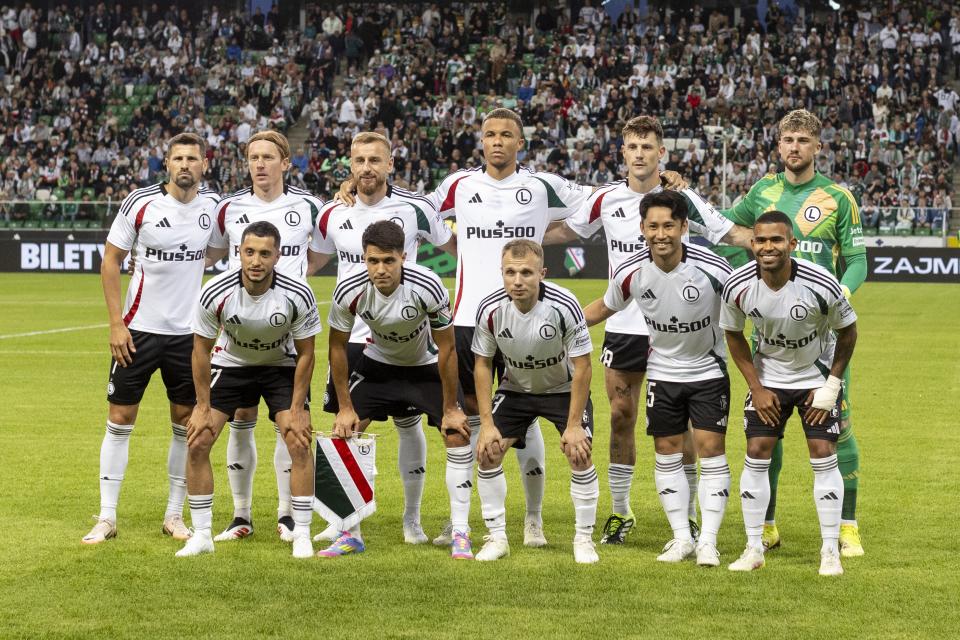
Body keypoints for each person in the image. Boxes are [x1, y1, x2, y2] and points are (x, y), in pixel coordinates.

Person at [544, 115, 751, 545]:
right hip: (623, 323)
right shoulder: (605, 199)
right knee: (621, 417)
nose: (640, 154)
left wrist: (782, 240)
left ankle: (691, 516)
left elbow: (726, 231)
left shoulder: (681, 197)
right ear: (623, 152)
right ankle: (621, 513)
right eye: (632, 146)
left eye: (647, 147)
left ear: (662, 153)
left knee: (689, 426)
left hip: (682, 328)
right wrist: (514, 231)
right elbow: (567, 229)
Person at [721, 109, 867, 557]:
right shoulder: (763, 190)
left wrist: (832, 300)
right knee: (768, 428)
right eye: (788, 140)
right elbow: (725, 230)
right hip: (770, 332)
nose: (795, 148)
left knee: (836, 429)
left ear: (817, 147)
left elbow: (858, 261)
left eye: (803, 140)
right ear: (778, 145)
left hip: (821, 335)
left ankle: (848, 525)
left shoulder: (838, 197)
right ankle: (767, 524)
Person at [308, 132, 456, 545]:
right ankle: (344, 519)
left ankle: (412, 519)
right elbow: (316, 259)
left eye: (375, 159)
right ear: (350, 165)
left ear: (390, 163)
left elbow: (455, 247)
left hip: (408, 336)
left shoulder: (417, 207)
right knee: (347, 425)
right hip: (353, 334)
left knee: (411, 427)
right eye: (359, 160)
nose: (367, 167)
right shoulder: (331, 213)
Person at [583, 190, 734, 566]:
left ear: (684, 227)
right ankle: (682, 538)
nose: (660, 234)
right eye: (653, 226)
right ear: (642, 228)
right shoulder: (631, 272)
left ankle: (709, 542)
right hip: (663, 375)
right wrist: (556, 321)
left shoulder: (714, 269)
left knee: (711, 452)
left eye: (669, 225)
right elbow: (603, 308)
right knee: (665, 454)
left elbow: (747, 304)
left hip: (707, 371)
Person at [83, 133, 220, 545]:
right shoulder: (140, 202)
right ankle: (107, 517)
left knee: (184, 423)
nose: (184, 165)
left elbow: (213, 251)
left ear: (203, 164)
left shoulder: (213, 207)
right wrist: (115, 323)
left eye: (192, 158)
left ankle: (174, 515)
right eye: (177, 158)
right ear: (166, 164)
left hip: (187, 337)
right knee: (120, 419)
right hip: (137, 330)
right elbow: (111, 260)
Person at [322, 220, 472, 558]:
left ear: (403, 257)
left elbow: (447, 348)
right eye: (373, 261)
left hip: (424, 368)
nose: (380, 269)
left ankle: (460, 530)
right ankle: (349, 532)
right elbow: (336, 348)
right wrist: (345, 408)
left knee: (458, 433)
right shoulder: (350, 289)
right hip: (377, 368)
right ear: (364, 259)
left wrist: (450, 407)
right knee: (345, 432)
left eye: (388, 261)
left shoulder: (428, 284)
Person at [721, 211, 858, 576]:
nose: (768, 247)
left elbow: (849, 331)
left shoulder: (820, 283)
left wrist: (831, 385)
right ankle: (753, 547)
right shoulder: (737, 285)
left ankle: (830, 551)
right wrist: (756, 387)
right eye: (761, 240)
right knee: (756, 451)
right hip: (769, 380)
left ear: (791, 244)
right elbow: (732, 334)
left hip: (814, 378)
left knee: (823, 452)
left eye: (777, 240)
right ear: (753, 244)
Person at [176, 221, 321, 558]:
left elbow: (307, 353)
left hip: (280, 366)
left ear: (277, 256)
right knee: (197, 439)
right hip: (232, 364)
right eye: (250, 252)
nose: (256, 261)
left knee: (299, 441)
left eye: (265, 254)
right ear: (239, 252)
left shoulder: (297, 293)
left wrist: (298, 409)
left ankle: (301, 534)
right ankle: (201, 535)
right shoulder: (215, 291)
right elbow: (200, 350)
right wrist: (201, 406)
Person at [206, 130, 324, 543]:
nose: (259, 164)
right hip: (239, 335)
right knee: (240, 420)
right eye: (253, 157)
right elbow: (215, 254)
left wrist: (293, 290)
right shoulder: (229, 208)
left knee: (287, 426)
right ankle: (241, 515)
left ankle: (287, 514)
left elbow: (322, 253)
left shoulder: (309, 206)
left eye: (268, 157)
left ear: (285, 163)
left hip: (289, 338)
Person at [472, 240, 598, 564]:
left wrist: (573, 426)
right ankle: (496, 537)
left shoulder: (564, 305)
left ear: (542, 273)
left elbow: (583, 365)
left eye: (526, 272)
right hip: (516, 390)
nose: (517, 280)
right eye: (509, 272)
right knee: (487, 453)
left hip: (563, 389)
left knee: (579, 452)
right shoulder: (489, 309)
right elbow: (483, 365)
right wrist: (486, 425)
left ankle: (584, 539)